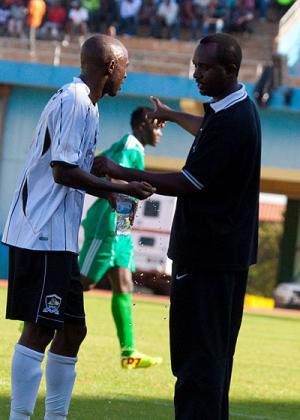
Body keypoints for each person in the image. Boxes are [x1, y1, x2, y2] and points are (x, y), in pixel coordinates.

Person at [95, 33, 261, 419]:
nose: (196, 74)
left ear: (230, 70)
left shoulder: (232, 122)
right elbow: (207, 127)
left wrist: (122, 174)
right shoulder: (234, 108)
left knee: (196, 363)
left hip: (207, 258)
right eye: (195, 65)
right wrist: (171, 114)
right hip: (223, 258)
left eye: (205, 68)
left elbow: (188, 182)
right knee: (214, 360)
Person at [2, 34, 155, 420]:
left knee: (73, 331)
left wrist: (110, 195)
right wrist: (120, 187)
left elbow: (75, 172)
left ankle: (56, 417)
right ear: (110, 68)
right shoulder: (75, 101)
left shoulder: (87, 104)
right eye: (124, 69)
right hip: (42, 233)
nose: (125, 76)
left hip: (59, 237)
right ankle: (20, 416)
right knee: (39, 330)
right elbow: (63, 172)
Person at [79, 106, 163, 369]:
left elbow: (99, 165)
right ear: (141, 125)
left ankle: (128, 352)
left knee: (124, 283)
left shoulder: (134, 146)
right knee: (84, 282)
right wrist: (132, 188)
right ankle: (36, 314)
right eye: (157, 125)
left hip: (121, 225)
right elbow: (113, 173)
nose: (160, 132)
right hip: (107, 221)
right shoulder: (131, 144)